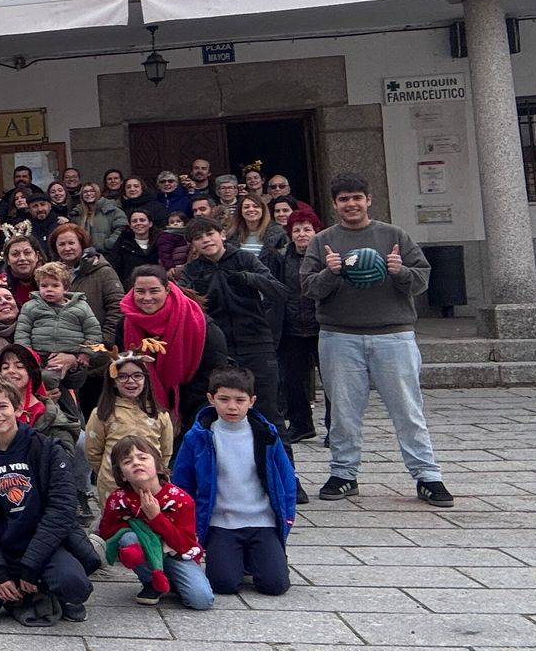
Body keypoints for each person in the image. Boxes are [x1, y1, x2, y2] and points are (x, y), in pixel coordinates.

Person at [299, 174, 450, 506]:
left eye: (357, 197)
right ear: (335, 204)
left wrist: (400, 271)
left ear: (368, 200)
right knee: (343, 411)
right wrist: (330, 272)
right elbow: (308, 288)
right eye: (343, 199)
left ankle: (428, 476)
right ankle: (343, 474)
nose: (351, 204)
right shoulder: (323, 240)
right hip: (340, 337)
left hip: (393, 336)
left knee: (408, 410)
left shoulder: (394, 235)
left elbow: (421, 280)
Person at [0, 373, 94, 627]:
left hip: (45, 546)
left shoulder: (46, 449)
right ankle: (18, 595)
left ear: (18, 408)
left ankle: (43, 589)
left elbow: (62, 511)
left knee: (74, 585)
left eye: (2, 406)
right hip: (5, 547)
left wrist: (32, 566)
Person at [170, 366, 298, 596]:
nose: (232, 406)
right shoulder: (197, 437)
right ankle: (235, 556)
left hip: (262, 521)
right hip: (222, 522)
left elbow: (286, 478)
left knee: (275, 585)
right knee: (224, 584)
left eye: (240, 400)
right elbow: (183, 483)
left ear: (252, 401)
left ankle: (257, 557)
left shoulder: (266, 434)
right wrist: (188, 526)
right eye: (224, 399)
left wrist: (287, 518)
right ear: (211, 399)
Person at [179, 217, 288, 426]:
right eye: (198, 238)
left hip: (256, 343)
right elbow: (181, 302)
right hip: (219, 349)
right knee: (217, 413)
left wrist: (249, 278)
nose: (206, 240)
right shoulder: (192, 270)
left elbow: (279, 291)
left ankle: (279, 459)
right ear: (193, 244)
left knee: (268, 413)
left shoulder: (244, 258)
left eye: (210, 234)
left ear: (221, 235)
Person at [99, 435, 212, 610]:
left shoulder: (180, 499)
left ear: (158, 465)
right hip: (146, 554)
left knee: (201, 600)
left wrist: (156, 518)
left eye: (143, 458)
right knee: (128, 539)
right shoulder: (118, 499)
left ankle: (171, 580)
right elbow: (107, 532)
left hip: (176, 555)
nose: (137, 463)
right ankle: (151, 581)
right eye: (128, 461)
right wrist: (135, 529)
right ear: (122, 474)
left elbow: (185, 545)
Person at [121, 265, 226, 422]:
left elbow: (214, 371)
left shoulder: (199, 324)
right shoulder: (125, 324)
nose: (147, 297)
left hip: (193, 407)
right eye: (140, 291)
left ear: (168, 289)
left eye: (154, 291)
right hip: (142, 407)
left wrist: (178, 412)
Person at [84, 348, 174, 504]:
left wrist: (155, 473)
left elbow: (165, 452)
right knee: (117, 526)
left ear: (145, 379)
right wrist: (113, 473)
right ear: (113, 381)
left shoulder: (159, 415)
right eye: (123, 376)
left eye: (137, 376)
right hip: (113, 485)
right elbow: (93, 452)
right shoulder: (102, 413)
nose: (131, 381)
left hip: (152, 484)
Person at [14, 262, 103, 406]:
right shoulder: (30, 307)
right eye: (44, 286)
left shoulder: (81, 307)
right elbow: (22, 333)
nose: (49, 290)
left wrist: (85, 353)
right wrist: (27, 355)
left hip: (69, 355)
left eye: (55, 286)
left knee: (52, 380)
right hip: (38, 356)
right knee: (42, 379)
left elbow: (93, 331)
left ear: (65, 288)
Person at [278, 208, 324, 444]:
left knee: (331, 381)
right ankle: (301, 425)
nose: (302, 234)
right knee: (292, 381)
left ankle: (334, 426)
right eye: (297, 230)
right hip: (291, 328)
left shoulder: (326, 257)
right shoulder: (282, 258)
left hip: (322, 326)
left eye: (307, 229)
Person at [52, 223, 124, 352]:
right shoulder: (51, 275)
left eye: (71, 243)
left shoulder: (103, 271)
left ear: (82, 245)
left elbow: (117, 308)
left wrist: (104, 342)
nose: (67, 248)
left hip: (96, 348)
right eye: (62, 244)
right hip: (61, 349)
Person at [108, 209, 161, 287]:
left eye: (142, 220)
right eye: (134, 221)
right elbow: (114, 268)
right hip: (129, 288)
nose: (138, 223)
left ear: (150, 224)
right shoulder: (122, 244)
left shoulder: (161, 243)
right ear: (130, 226)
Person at [73, 182, 127, 253]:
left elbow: (122, 229)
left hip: (108, 256)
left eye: (92, 191)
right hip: (83, 257)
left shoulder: (112, 210)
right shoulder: (77, 214)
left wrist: (108, 245)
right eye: (85, 192)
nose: (88, 194)